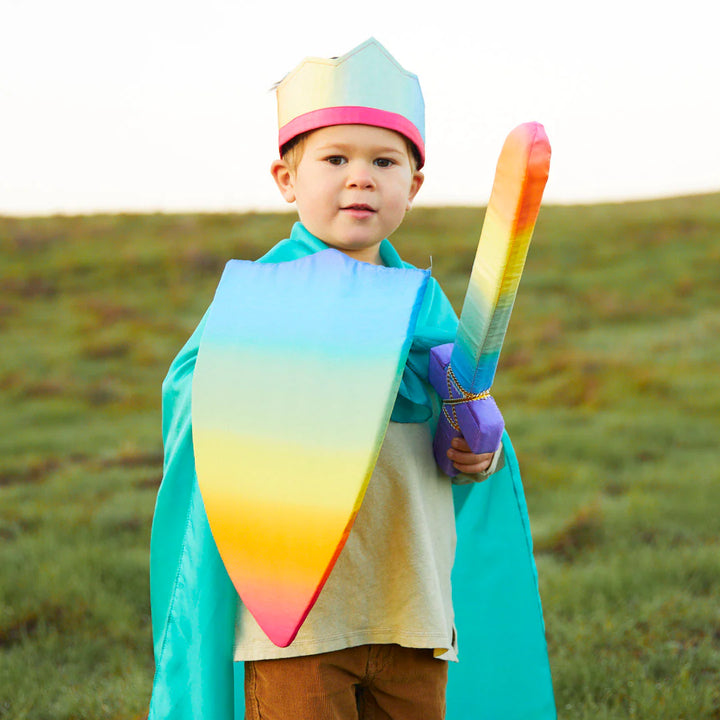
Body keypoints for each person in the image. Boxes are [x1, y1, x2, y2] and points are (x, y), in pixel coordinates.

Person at [148, 38, 556, 720]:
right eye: (335, 159)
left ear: (413, 186)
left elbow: (465, 420)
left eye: (384, 161)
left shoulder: (425, 304)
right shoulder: (261, 300)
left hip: (412, 611)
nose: (360, 177)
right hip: (299, 624)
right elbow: (198, 398)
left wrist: (476, 446)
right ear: (287, 179)